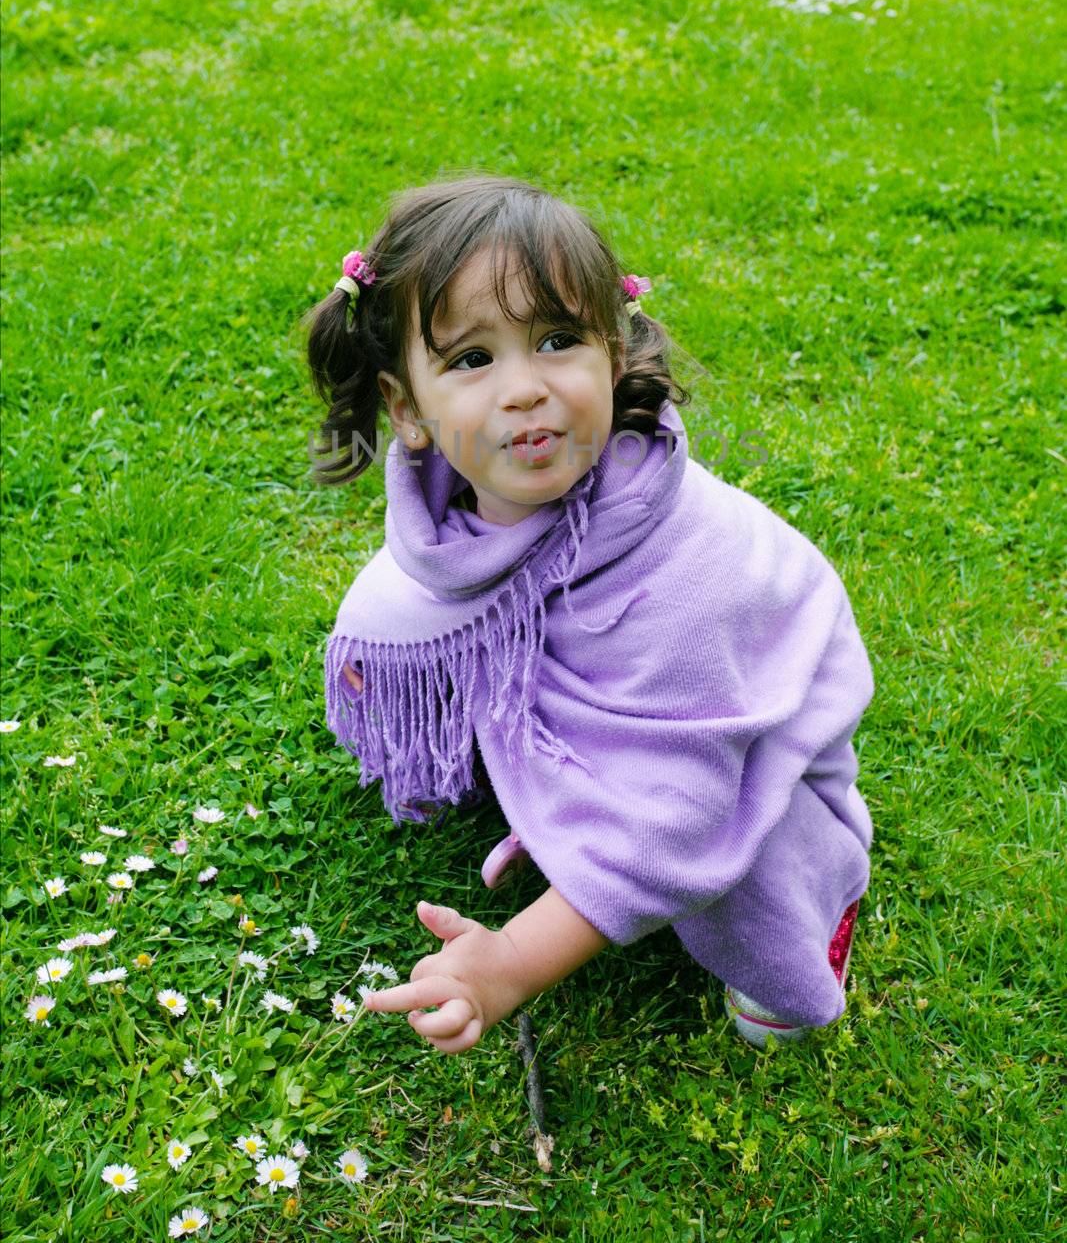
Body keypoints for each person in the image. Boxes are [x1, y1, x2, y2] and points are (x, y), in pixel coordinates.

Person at [302, 173, 875, 1056]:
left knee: (745, 855)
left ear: (613, 355)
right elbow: (421, 604)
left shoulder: (688, 571)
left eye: (557, 339)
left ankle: (814, 902)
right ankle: (565, 786)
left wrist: (512, 964)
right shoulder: (454, 509)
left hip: (737, 742)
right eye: (471, 358)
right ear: (406, 409)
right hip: (642, 703)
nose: (525, 388)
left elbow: (675, 809)